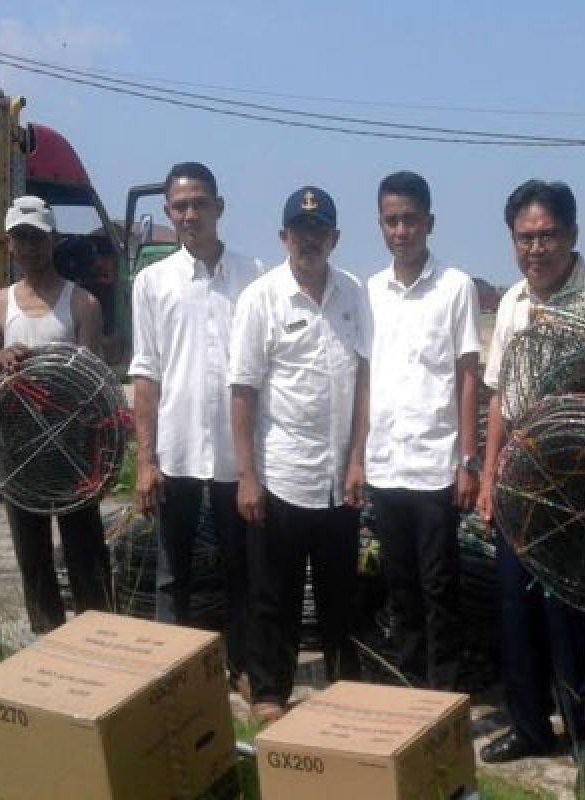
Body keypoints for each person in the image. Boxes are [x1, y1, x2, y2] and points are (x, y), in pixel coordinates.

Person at [475, 180, 585, 764]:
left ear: (572, 235)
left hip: (581, 488)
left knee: (574, 618)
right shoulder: (511, 302)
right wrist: (487, 480)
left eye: (547, 235)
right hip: (520, 487)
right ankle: (529, 727)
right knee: (518, 612)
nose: (536, 248)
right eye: (524, 238)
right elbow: (500, 399)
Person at [228, 186, 371, 725]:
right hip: (281, 474)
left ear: (333, 238)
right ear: (284, 236)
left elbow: (363, 379)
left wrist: (358, 458)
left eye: (320, 231)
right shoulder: (261, 298)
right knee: (274, 595)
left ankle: (344, 685)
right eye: (300, 230)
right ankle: (269, 690)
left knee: (341, 595)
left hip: (339, 479)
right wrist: (246, 476)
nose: (309, 240)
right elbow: (242, 390)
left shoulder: (353, 294)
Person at [128, 162, 264, 693]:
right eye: (180, 206)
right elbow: (146, 374)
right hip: (179, 451)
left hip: (237, 456)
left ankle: (245, 668)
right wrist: (145, 460)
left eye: (200, 203)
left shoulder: (254, 277)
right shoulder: (152, 283)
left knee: (241, 569)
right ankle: (173, 671)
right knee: (172, 570)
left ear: (219, 207)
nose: (190, 214)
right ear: (167, 213)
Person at [366, 171, 481, 690]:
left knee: (440, 585)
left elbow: (467, 377)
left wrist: (467, 461)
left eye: (410, 218)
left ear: (429, 222)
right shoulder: (369, 292)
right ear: (380, 224)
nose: (401, 229)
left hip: (436, 467)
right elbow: (364, 377)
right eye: (391, 220)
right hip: (386, 465)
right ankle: (410, 685)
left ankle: (445, 691)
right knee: (400, 585)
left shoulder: (455, 287)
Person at [0, 195, 112, 634]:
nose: (29, 247)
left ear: (52, 240)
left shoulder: (83, 303)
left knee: (85, 548)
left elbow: (96, 380)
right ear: (9, 244)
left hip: (72, 447)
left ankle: (98, 634)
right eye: (21, 239)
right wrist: (0, 359)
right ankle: (47, 639)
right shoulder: (1, 304)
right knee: (32, 555)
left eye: (37, 237)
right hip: (19, 448)